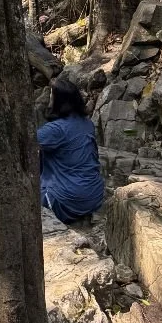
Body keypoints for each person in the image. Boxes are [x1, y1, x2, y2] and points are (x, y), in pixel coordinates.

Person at [37, 78, 105, 224]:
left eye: (50, 95)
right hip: (94, 196)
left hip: (68, 202)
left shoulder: (54, 130)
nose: (48, 97)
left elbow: (22, 144)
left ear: (58, 100)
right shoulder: (87, 124)